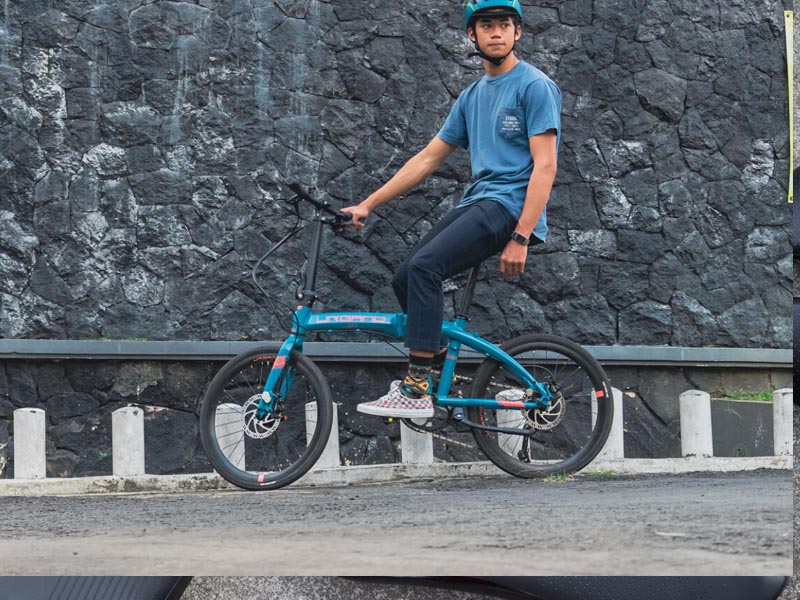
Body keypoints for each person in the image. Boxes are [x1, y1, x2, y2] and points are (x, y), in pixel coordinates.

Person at [341, 0, 562, 419]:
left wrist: (521, 236)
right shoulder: (472, 96)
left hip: (509, 205)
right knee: (406, 277)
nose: (495, 33)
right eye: (486, 26)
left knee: (426, 267)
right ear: (471, 37)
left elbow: (546, 165)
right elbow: (428, 159)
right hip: (480, 200)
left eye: (503, 25)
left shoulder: (533, 86)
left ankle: (417, 385)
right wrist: (368, 204)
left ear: (518, 33)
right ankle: (438, 365)